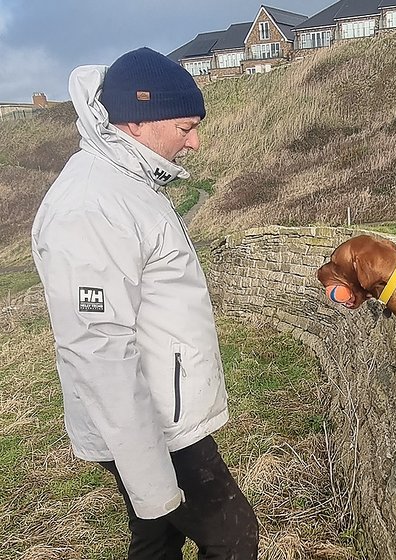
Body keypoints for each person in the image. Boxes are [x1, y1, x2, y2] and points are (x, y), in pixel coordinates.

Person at [31, 47, 259, 559]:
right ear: (136, 122)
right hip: (154, 424)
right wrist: (152, 480)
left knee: (158, 537)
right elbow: (98, 350)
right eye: (185, 128)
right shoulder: (91, 206)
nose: (195, 142)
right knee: (233, 537)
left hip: (158, 411)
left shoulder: (124, 183)